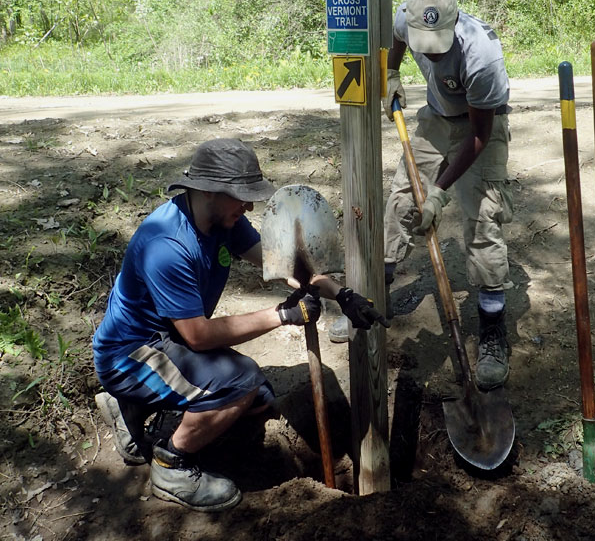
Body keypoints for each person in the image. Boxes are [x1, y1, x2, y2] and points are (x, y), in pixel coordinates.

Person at [92, 137, 387, 512]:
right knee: (241, 383)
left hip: (165, 341)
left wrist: (343, 296)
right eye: (241, 196)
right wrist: (283, 316)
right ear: (209, 191)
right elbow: (198, 337)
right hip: (131, 355)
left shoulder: (223, 221)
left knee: (257, 400)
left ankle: (130, 409)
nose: (249, 205)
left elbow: (284, 267)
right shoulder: (168, 245)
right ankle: (171, 463)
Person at [332, 0, 513, 390]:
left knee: (482, 220)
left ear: (454, 21)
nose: (429, 48)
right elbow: (396, 42)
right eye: (422, 40)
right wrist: (391, 72)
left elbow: (479, 136)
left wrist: (439, 191)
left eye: (439, 40)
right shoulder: (405, 18)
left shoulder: (481, 56)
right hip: (435, 118)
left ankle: (492, 332)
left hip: (480, 125)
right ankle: (371, 301)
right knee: (399, 203)